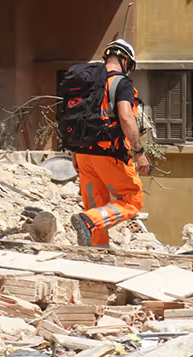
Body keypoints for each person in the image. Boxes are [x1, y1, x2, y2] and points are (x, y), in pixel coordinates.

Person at [70, 39, 150, 247]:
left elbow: (73, 119)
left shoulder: (86, 84)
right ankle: (88, 221)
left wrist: (74, 154)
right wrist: (139, 151)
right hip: (109, 153)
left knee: (97, 205)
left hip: (83, 154)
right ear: (124, 61)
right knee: (132, 200)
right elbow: (125, 117)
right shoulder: (121, 83)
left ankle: (95, 255)